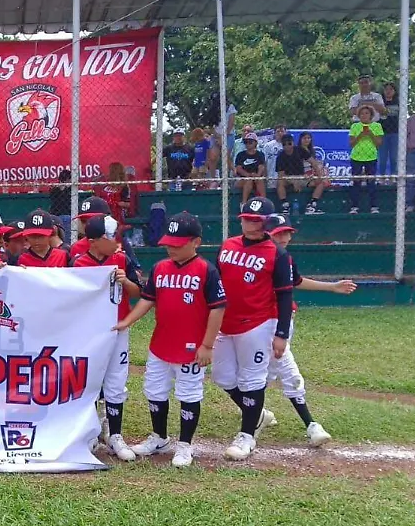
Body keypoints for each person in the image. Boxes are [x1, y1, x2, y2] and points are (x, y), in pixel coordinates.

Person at [114, 212, 226, 468]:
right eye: (168, 243)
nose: (171, 248)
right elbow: (147, 299)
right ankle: (160, 437)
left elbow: (218, 308)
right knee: (154, 390)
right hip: (161, 343)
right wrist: (127, 321)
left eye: (177, 244)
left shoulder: (206, 270)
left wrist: (207, 345)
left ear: (196, 242)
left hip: (191, 347)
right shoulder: (160, 268)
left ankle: (185, 444)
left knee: (188, 392)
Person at [212, 197, 294, 462]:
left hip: (258, 323)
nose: (250, 224)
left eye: (256, 220)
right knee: (222, 377)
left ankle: (247, 436)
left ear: (268, 222)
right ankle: (258, 414)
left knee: (252, 379)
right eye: (247, 219)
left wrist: (281, 333)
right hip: (226, 322)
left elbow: (284, 295)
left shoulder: (277, 253)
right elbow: (215, 282)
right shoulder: (228, 245)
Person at [259, 214, 350, 446]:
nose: (284, 237)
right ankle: (310, 425)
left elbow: (296, 282)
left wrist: (332, 287)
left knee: (269, 369)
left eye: (287, 233)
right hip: (263, 322)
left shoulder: (286, 258)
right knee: (282, 370)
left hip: (281, 320)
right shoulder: (259, 257)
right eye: (278, 233)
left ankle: (255, 410)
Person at [71, 215, 141, 461]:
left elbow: (139, 291)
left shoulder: (121, 259)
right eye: (110, 237)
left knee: (116, 382)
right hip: (89, 332)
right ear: (94, 241)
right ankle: (89, 433)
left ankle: (115, 434)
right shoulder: (78, 263)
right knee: (88, 381)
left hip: (117, 329)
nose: (116, 241)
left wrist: (126, 281)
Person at [349, 105, 385, 215]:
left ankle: (373, 206)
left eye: (366, 113)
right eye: (362, 114)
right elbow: (351, 144)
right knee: (356, 182)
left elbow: (379, 144)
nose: (364, 115)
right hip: (356, 157)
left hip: (371, 157)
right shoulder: (355, 126)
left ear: (371, 115)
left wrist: (371, 134)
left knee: (371, 182)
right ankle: (354, 206)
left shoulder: (377, 126)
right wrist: (360, 135)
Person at [233, 133, 267, 204]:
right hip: (242, 179)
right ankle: (244, 203)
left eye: (250, 142)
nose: (248, 144)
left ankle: (264, 203)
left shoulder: (260, 154)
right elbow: (238, 168)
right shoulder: (240, 155)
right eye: (246, 142)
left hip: (256, 178)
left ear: (255, 143)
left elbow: (261, 167)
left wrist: (257, 175)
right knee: (249, 180)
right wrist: (249, 175)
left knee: (260, 180)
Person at [379, 82, 401, 176]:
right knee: (382, 158)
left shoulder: (399, 102)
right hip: (382, 133)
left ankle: (393, 176)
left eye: (391, 89)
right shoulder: (380, 103)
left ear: (395, 91)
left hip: (395, 133)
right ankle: (382, 177)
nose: (388, 91)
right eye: (386, 89)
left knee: (394, 157)